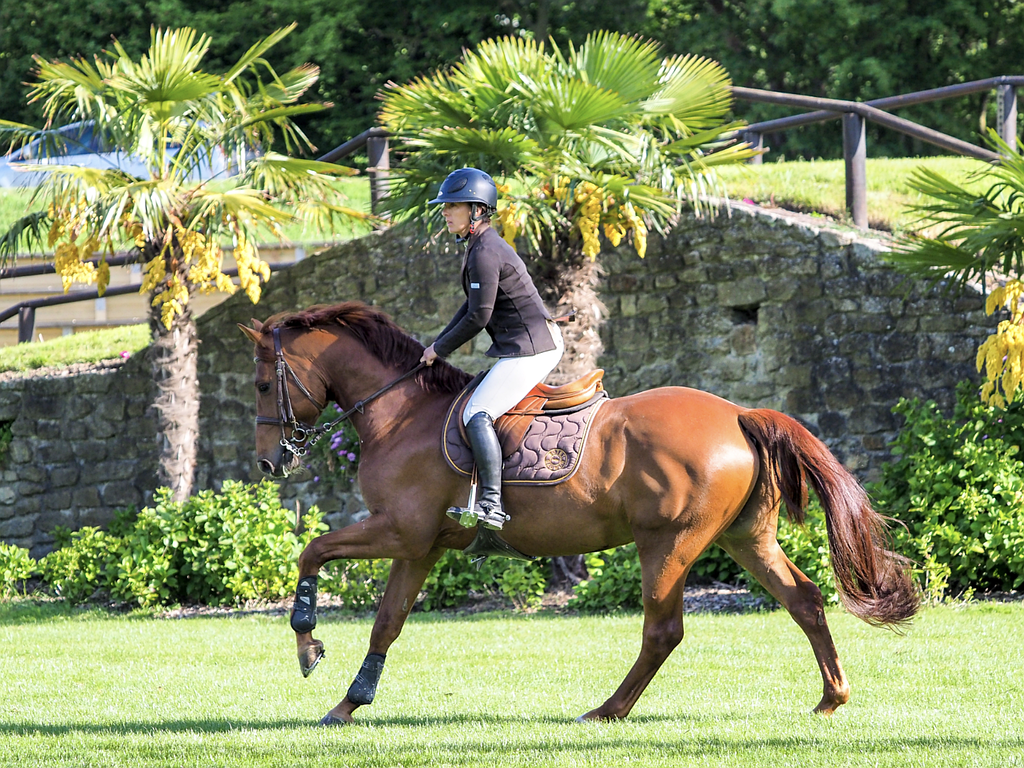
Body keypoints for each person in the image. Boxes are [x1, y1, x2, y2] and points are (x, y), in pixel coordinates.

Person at [420, 167, 564, 531]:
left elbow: (479, 318)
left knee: (476, 412)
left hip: (535, 349)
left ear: (478, 210)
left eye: (454, 206)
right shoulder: (480, 246)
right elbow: (470, 306)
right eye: (445, 206)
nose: (446, 212)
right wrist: (436, 345)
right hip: (525, 345)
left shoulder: (485, 251)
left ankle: (491, 505)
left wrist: (441, 349)